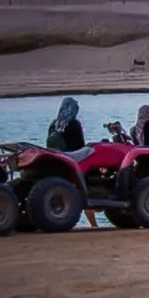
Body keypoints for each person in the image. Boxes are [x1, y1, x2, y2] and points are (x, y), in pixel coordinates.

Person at [45, 97, 96, 227]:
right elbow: (80, 145)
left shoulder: (54, 124)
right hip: (75, 160)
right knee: (85, 186)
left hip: (58, 159)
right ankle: (93, 224)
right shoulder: (74, 124)